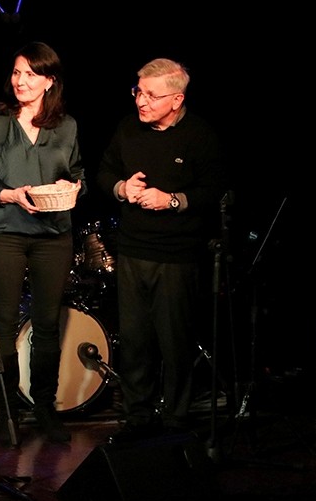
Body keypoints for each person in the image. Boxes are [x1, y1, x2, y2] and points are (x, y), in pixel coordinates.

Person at [96, 57, 227, 443]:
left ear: (176, 99)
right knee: (135, 341)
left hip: (177, 255)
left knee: (175, 343)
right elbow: (104, 172)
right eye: (138, 92)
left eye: (151, 95)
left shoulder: (200, 135)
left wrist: (171, 200)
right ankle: (138, 415)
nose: (141, 101)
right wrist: (122, 188)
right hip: (133, 250)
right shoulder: (128, 129)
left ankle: (176, 418)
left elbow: (213, 190)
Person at [0, 41, 86, 445]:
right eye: (17, 72)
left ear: (49, 81)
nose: (21, 81)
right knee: (3, 323)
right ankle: (7, 409)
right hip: (5, 233)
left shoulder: (66, 126)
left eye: (31, 74)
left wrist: (74, 187)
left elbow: (78, 176)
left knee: (47, 323)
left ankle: (44, 406)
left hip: (53, 235)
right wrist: (8, 195)